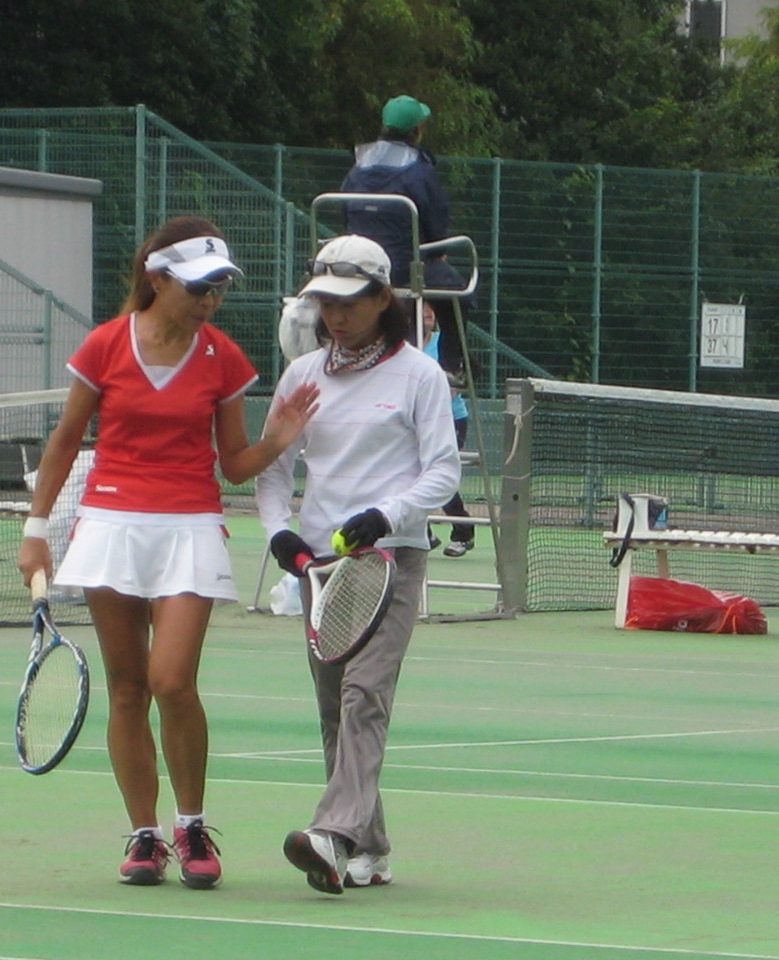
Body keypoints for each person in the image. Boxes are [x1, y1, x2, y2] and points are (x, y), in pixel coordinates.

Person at [17, 215, 318, 891]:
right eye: (198, 287)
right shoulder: (104, 346)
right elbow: (66, 440)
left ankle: (191, 824)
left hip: (188, 527)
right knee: (127, 690)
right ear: (158, 280)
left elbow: (235, 465)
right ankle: (145, 837)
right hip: (111, 525)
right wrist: (36, 528)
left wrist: (280, 439)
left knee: (171, 681)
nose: (210, 300)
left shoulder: (223, 359)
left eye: (218, 289)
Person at [256, 234, 461, 894]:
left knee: (363, 696)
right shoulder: (301, 376)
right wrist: (279, 535)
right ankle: (366, 848)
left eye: (348, 302)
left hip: (392, 559)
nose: (334, 316)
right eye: (324, 303)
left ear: (381, 298)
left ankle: (329, 834)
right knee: (335, 713)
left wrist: (385, 516)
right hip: (322, 568)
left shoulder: (419, 376)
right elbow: (271, 471)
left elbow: (443, 473)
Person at [340, 93, 470, 376]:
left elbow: (344, 213)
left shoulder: (358, 168)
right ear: (417, 131)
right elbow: (436, 222)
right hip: (405, 267)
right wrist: (436, 251)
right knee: (460, 293)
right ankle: (451, 364)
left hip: (359, 268)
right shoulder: (419, 171)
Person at [421, 301, 475, 557]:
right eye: (422, 311)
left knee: (439, 472)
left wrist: (449, 390)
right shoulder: (403, 346)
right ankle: (423, 532)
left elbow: (464, 377)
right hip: (417, 421)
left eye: (431, 313)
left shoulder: (446, 344)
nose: (427, 316)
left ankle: (463, 533)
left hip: (451, 419)